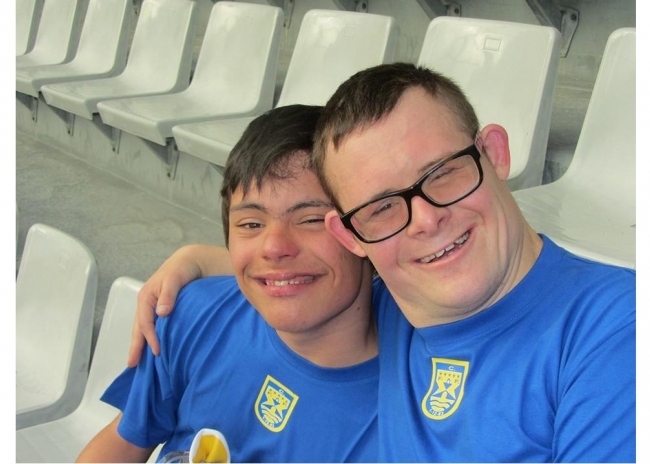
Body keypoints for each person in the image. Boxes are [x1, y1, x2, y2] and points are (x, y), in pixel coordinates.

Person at [130, 63, 636, 462]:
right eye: (382, 206)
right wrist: (196, 260)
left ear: (495, 153)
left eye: (442, 173)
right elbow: (296, 270)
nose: (425, 220)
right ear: (352, 236)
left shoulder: (616, 331)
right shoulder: (403, 300)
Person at [77, 104, 380, 463]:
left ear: (365, 228)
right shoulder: (193, 312)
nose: (273, 248)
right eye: (251, 224)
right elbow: (125, 440)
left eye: (312, 219)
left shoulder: (413, 402)